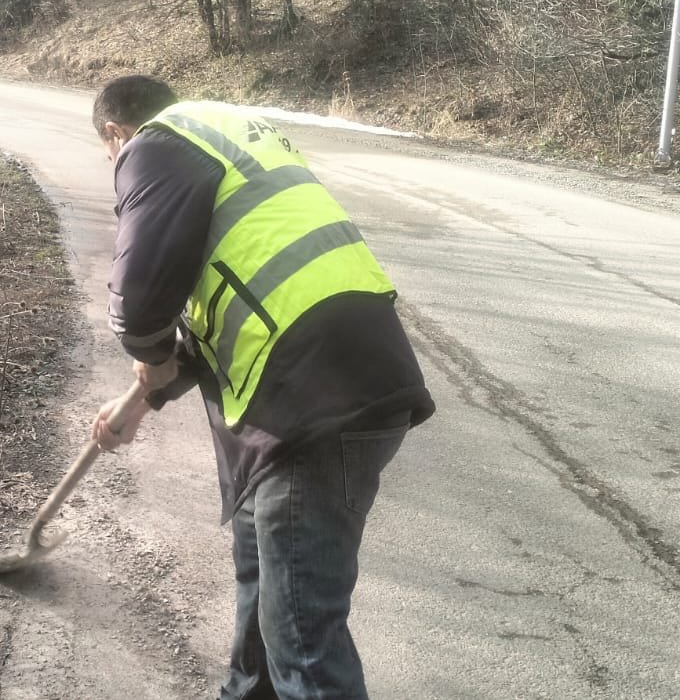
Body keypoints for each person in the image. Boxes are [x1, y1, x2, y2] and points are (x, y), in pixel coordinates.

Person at [88, 74, 433, 700]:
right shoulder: (226, 138)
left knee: (302, 636)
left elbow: (139, 303)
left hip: (311, 399)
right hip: (343, 378)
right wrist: (141, 399)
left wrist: (146, 352)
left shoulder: (156, 145)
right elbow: (225, 303)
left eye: (109, 151)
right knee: (266, 593)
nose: (115, 163)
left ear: (116, 133)